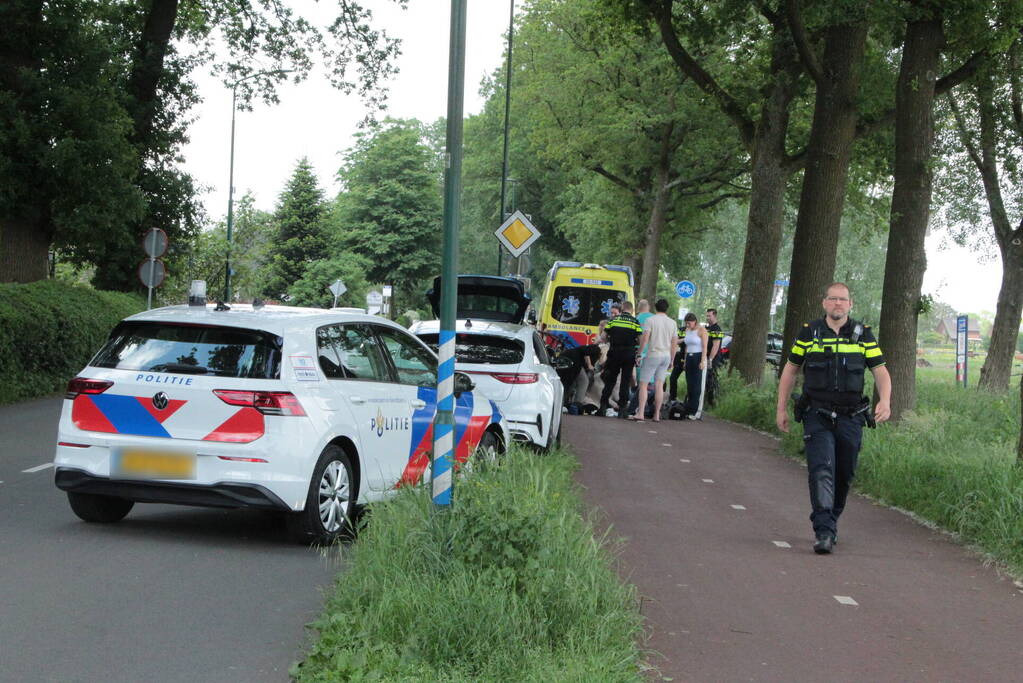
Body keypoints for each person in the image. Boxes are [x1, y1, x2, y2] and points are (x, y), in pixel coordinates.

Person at [775, 282, 891, 555]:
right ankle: (824, 531)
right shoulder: (810, 333)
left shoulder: (863, 336)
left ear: (850, 304)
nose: (838, 303)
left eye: (843, 299)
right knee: (821, 469)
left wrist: (885, 400)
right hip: (817, 413)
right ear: (824, 303)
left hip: (851, 417)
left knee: (844, 473)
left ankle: (831, 519)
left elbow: (881, 372)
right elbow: (791, 371)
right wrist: (781, 408)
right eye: (833, 299)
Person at [631, 298, 678, 422]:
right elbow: (674, 344)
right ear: (666, 308)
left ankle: (640, 413)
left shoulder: (650, 320)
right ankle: (656, 414)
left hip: (653, 355)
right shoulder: (672, 323)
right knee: (659, 385)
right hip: (666, 356)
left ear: (655, 307)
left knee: (643, 384)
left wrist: (639, 354)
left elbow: (645, 340)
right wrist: (672, 360)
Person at [598, 301, 643, 418]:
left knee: (610, 379)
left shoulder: (613, 320)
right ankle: (622, 410)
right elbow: (640, 340)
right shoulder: (635, 322)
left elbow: (603, 337)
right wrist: (638, 352)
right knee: (625, 381)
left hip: (614, 353)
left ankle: (603, 406)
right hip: (629, 353)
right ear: (632, 310)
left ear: (622, 309)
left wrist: (611, 338)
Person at [681, 312, 709, 419]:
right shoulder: (688, 330)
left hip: (698, 357)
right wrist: (685, 360)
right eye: (686, 323)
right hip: (690, 357)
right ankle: (688, 407)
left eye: (689, 323)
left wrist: (702, 361)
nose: (687, 325)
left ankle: (694, 410)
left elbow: (704, 347)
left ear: (694, 321)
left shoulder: (702, 330)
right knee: (690, 384)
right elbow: (687, 346)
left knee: (696, 385)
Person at [704, 308, 725, 407]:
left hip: (712, 358)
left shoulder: (717, 329)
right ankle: (705, 400)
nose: (707, 317)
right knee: (705, 379)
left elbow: (715, 346)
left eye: (709, 316)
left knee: (711, 379)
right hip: (705, 356)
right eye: (707, 315)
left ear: (714, 316)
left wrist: (710, 360)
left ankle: (711, 401)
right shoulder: (708, 328)